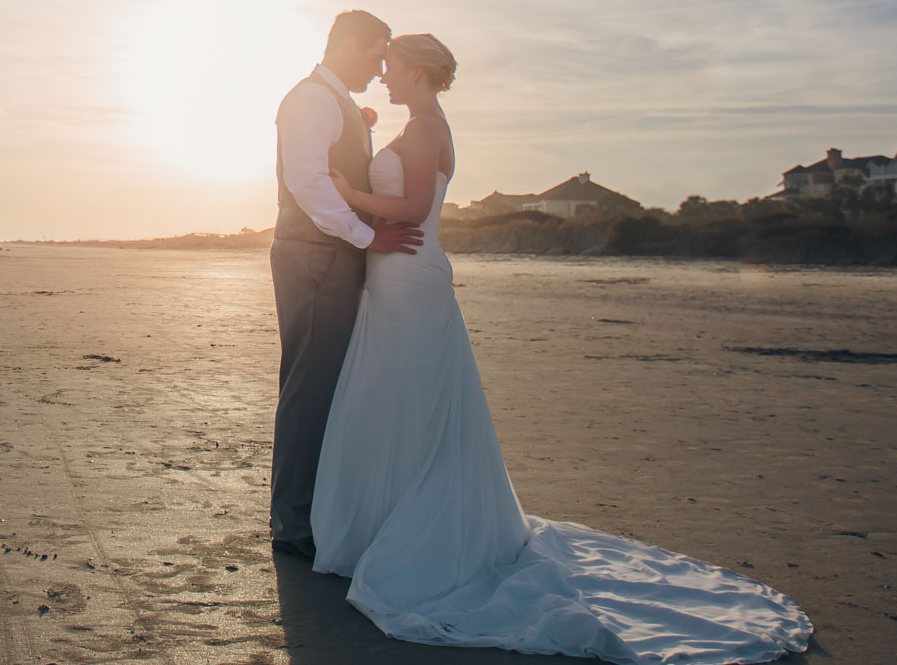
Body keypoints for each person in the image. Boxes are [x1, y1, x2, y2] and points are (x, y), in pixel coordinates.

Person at [307, 33, 812, 663]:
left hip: (409, 275)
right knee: (398, 397)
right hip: (401, 275)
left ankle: (408, 534)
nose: (382, 77)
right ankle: (384, 523)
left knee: (407, 397)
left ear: (416, 72)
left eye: (391, 69)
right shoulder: (423, 124)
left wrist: (349, 194)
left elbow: (410, 208)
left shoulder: (428, 127)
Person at [270, 9, 425, 561]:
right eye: (376, 53)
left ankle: (312, 511)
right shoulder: (311, 99)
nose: (381, 67)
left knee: (328, 383)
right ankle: (292, 524)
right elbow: (307, 182)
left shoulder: (333, 103)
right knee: (310, 385)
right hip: (315, 257)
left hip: (333, 255)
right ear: (349, 44)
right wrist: (365, 236)